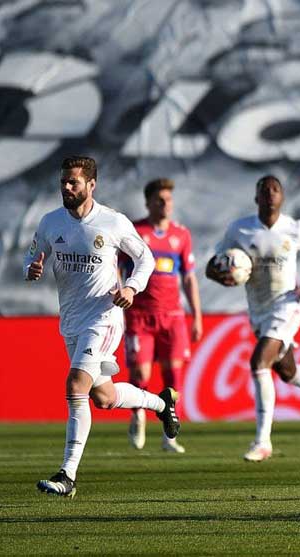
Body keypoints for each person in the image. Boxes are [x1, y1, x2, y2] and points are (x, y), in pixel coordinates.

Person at [24, 156, 180, 498]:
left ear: (91, 185)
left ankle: (67, 475)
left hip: (104, 316)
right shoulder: (51, 222)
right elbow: (33, 254)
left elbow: (146, 259)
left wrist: (131, 288)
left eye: (73, 183)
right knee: (104, 397)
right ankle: (161, 404)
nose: (66, 187)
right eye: (64, 182)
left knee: (76, 384)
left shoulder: (112, 222)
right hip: (71, 321)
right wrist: (32, 267)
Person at [206, 175, 300, 462]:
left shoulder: (295, 229)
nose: (269, 193)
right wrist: (222, 276)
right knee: (286, 371)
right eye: (263, 190)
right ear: (256, 197)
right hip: (258, 310)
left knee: (259, 362)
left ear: (282, 197)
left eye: (275, 189)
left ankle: (262, 441)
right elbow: (212, 266)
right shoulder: (240, 229)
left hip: (288, 305)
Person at [123, 178, 202, 454]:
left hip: (173, 316)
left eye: (168, 199)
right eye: (159, 200)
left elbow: (189, 278)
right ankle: (138, 414)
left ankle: (170, 434)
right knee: (141, 374)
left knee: (174, 377)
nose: (165, 204)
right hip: (140, 316)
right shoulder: (134, 231)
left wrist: (197, 316)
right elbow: (117, 268)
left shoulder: (181, 235)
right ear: (148, 203)